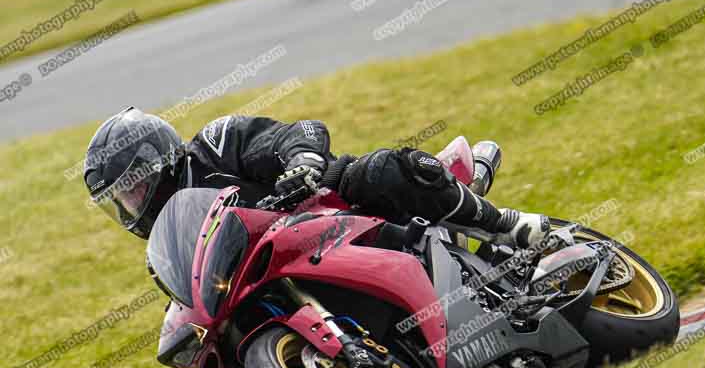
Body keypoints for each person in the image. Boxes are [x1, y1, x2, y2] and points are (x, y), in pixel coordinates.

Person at [84, 107, 550, 247]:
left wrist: (303, 165)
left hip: (332, 202)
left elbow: (297, 133)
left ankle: (505, 224)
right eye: (122, 198)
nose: (134, 203)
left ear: (161, 160)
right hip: (284, 261)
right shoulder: (172, 240)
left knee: (386, 169)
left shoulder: (214, 145)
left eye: (136, 186)